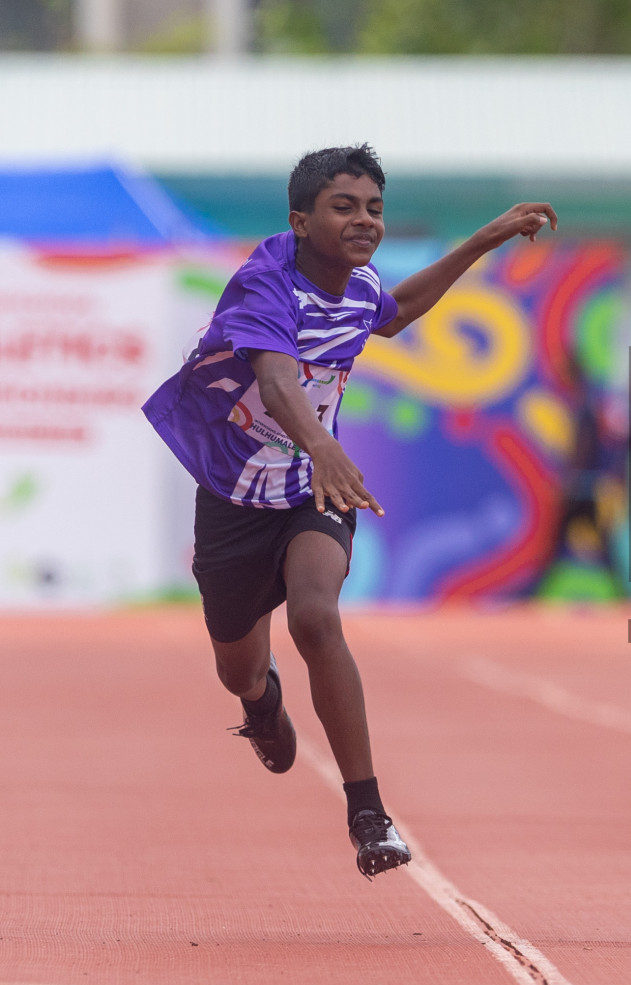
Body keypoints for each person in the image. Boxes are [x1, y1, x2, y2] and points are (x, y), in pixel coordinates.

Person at [142, 145, 556, 876]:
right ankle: (262, 701)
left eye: (374, 208)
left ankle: (369, 816)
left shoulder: (360, 286)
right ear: (301, 221)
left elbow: (396, 315)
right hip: (235, 500)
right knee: (236, 670)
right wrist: (323, 446)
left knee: (315, 615)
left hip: (311, 490)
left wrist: (484, 240)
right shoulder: (263, 283)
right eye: (344, 207)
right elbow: (274, 381)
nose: (364, 220)